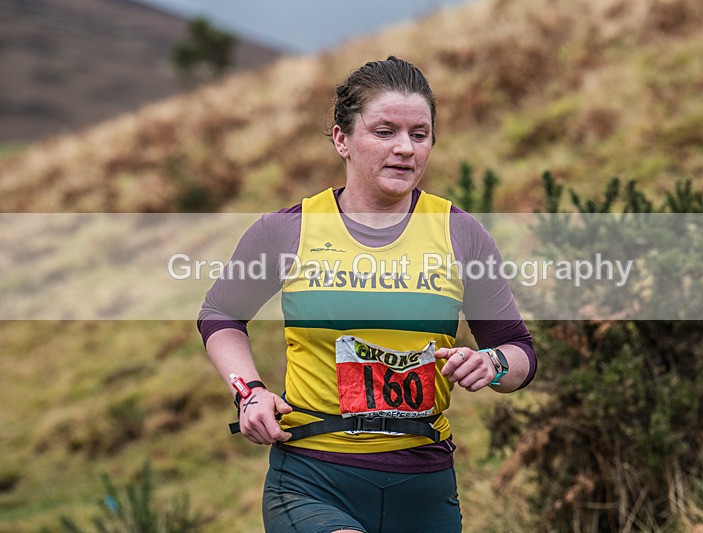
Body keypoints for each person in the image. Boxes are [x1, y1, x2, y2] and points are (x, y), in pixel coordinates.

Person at [198, 56, 537, 533]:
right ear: (342, 139)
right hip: (312, 478)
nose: (405, 149)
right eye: (384, 132)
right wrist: (248, 392)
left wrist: (493, 363)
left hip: (424, 484)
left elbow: (519, 352)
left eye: (419, 135)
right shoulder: (287, 231)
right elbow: (220, 315)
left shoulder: (459, 233)